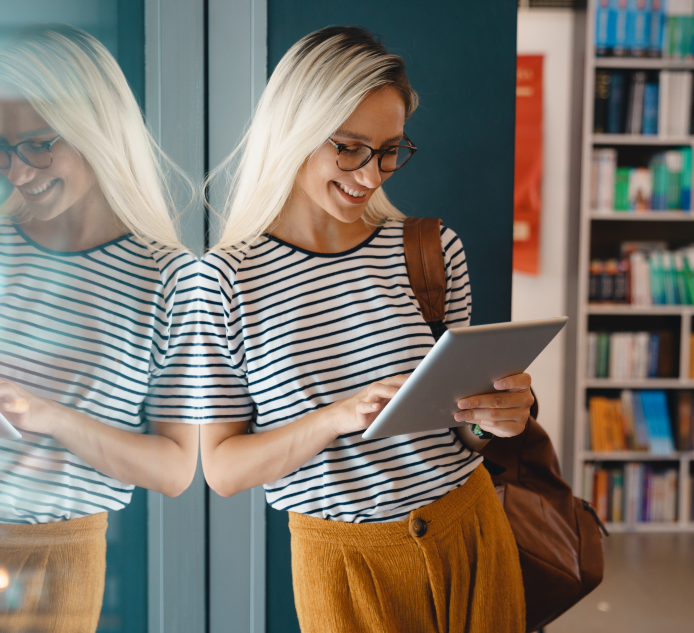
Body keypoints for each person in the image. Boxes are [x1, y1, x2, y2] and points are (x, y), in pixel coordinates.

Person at [195, 26, 529, 632]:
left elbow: (463, 436)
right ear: (294, 131)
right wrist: (338, 417)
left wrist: (494, 422)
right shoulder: (226, 281)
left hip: (471, 530)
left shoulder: (429, 249)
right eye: (349, 148)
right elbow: (223, 469)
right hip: (343, 565)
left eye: (390, 150)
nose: (372, 175)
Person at [0, 24, 198, 632]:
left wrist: (49, 417)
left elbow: (174, 469)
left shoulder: (166, 279)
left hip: (57, 559)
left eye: (40, 146)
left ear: (98, 131)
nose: (16, 173)